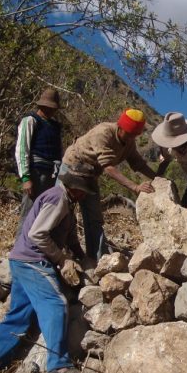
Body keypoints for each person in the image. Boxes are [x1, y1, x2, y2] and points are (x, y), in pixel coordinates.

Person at [0, 171, 92, 373]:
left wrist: (82, 257)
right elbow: (37, 234)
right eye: (83, 191)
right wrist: (61, 258)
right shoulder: (58, 199)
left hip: (20, 260)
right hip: (33, 261)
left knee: (18, 317)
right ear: (75, 188)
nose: (85, 196)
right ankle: (58, 364)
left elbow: (70, 236)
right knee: (56, 304)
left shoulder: (64, 201)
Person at [60, 108, 156, 260]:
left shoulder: (129, 143)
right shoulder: (103, 132)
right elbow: (108, 167)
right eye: (129, 134)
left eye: (134, 135)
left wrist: (158, 178)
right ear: (120, 127)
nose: (131, 138)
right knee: (61, 210)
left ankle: (97, 260)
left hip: (91, 175)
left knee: (94, 218)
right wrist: (135, 187)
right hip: (72, 166)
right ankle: (57, 254)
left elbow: (138, 163)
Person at [15, 88, 63, 233]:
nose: (51, 111)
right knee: (29, 212)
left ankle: (38, 244)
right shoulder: (30, 120)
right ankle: (21, 244)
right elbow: (22, 149)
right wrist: (25, 177)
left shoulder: (55, 126)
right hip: (36, 173)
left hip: (53, 174)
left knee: (46, 214)